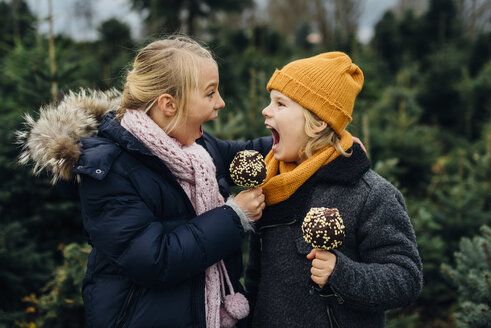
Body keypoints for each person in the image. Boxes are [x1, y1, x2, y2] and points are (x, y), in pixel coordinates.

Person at [17, 36, 271, 328]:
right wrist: (234, 217)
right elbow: (156, 259)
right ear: (169, 105)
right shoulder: (110, 172)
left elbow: (247, 151)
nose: (221, 103)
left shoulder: (195, 148)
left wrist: (297, 133)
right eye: (210, 93)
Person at [244, 52, 423, 328]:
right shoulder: (269, 187)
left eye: (280, 104)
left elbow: (405, 278)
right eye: (270, 101)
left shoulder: (369, 194)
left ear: (318, 122)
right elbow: (257, 278)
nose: (266, 111)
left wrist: (340, 272)